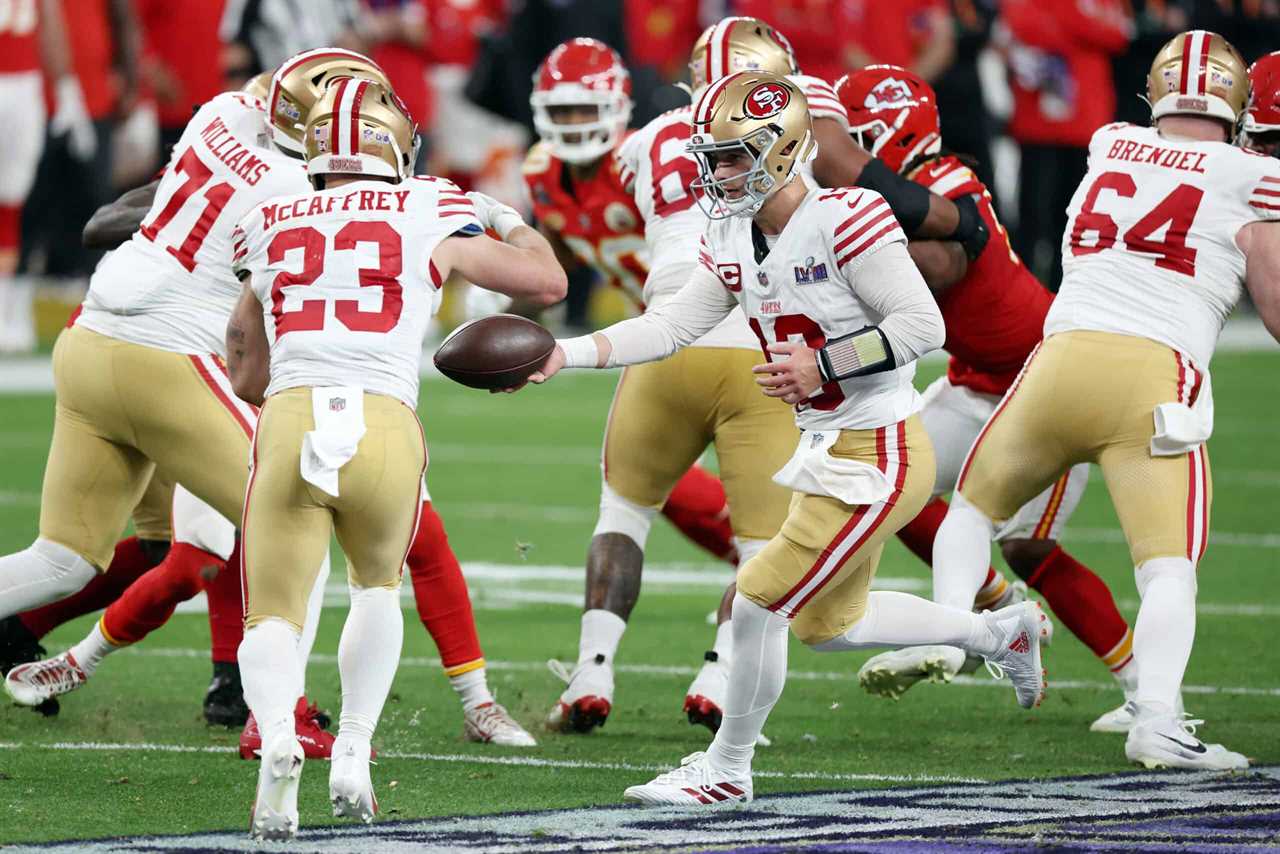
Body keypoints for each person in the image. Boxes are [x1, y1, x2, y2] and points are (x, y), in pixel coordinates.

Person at [526, 71, 1044, 806]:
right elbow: (671, 325)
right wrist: (563, 355)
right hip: (829, 453)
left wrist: (824, 363)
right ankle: (1002, 634)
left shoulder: (849, 215)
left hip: (882, 450)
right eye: (712, 156)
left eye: (734, 155)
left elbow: (922, 326)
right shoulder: (733, 233)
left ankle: (727, 770)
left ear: (785, 148)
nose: (717, 171)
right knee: (831, 625)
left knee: (760, 600)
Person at [4, 50, 538, 750]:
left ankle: (193, 682)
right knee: (293, 527)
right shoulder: (304, 191)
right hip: (171, 359)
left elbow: (186, 187)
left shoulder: (221, 114)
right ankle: (276, 719)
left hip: (89, 342)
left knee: (64, 559)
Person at [931, 31, 1280, 771]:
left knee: (970, 511)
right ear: (1237, 105)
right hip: (1153, 377)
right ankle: (1156, 719)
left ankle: (950, 632)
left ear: (1154, 93)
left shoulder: (1109, 142)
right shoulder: (1251, 176)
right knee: (1166, 570)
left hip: (1057, 361)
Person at [227, 76, 563, 839]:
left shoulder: (268, 217)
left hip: (291, 413)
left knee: (273, 612)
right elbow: (545, 281)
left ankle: (280, 733)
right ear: (393, 142)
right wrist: (505, 216)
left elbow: (245, 368)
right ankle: (353, 749)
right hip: (385, 418)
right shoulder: (430, 205)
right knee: (376, 589)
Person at [836, 64, 1141, 732]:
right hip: (977, 382)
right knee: (885, 480)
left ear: (890, 130)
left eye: (856, 138)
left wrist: (846, 231)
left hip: (1048, 383)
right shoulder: (880, 201)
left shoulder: (946, 179)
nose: (847, 154)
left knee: (1028, 545)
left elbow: (944, 263)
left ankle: (1146, 689)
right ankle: (987, 621)